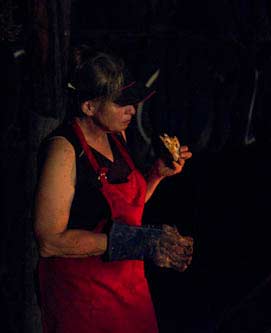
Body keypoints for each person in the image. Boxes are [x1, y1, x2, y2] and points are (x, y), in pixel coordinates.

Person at [33, 47, 194, 333]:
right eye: (121, 104)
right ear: (89, 107)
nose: (132, 110)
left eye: (132, 101)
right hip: (83, 299)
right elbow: (50, 241)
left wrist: (156, 175)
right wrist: (139, 243)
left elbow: (128, 209)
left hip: (129, 288)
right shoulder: (64, 150)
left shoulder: (116, 135)